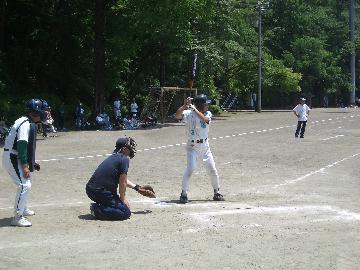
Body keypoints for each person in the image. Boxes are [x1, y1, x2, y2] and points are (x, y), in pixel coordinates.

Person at [85, 137, 155, 220]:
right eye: (130, 147)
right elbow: (122, 182)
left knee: (120, 208)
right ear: (124, 149)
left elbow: (122, 179)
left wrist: (137, 188)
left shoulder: (115, 157)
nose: (132, 149)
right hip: (100, 191)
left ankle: (101, 207)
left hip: (92, 189)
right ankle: (97, 210)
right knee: (125, 212)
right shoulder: (123, 159)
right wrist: (123, 199)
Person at [2, 99, 46, 227]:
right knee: (24, 185)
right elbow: (22, 145)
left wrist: (31, 162)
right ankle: (17, 217)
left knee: (26, 182)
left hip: (13, 155)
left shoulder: (24, 120)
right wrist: (25, 166)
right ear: (36, 111)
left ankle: (23, 208)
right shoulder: (26, 123)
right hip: (12, 156)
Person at [175, 94, 224, 203]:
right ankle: (184, 193)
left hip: (205, 146)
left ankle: (217, 192)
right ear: (200, 105)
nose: (208, 106)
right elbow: (177, 116)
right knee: (191, 168)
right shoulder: (188, 114)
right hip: (192, 147)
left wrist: (193, 109)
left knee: (212, 168)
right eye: (206, 104)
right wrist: (184, 106)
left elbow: (205, 120)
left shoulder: (208, 114)